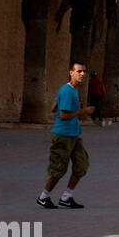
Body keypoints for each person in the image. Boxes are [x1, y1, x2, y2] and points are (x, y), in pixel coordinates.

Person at [38, 62, 93, 209]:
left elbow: (53, 107)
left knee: (82, 165)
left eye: (84, 71)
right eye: (79, 71)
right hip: (63, 135)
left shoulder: (70, 90)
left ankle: (66, 197)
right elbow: (62, 115)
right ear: (71, 73)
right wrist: (83, 111)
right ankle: (43, 197)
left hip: (74, 135)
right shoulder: (68, 91)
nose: (82, 74)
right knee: (59, 169)